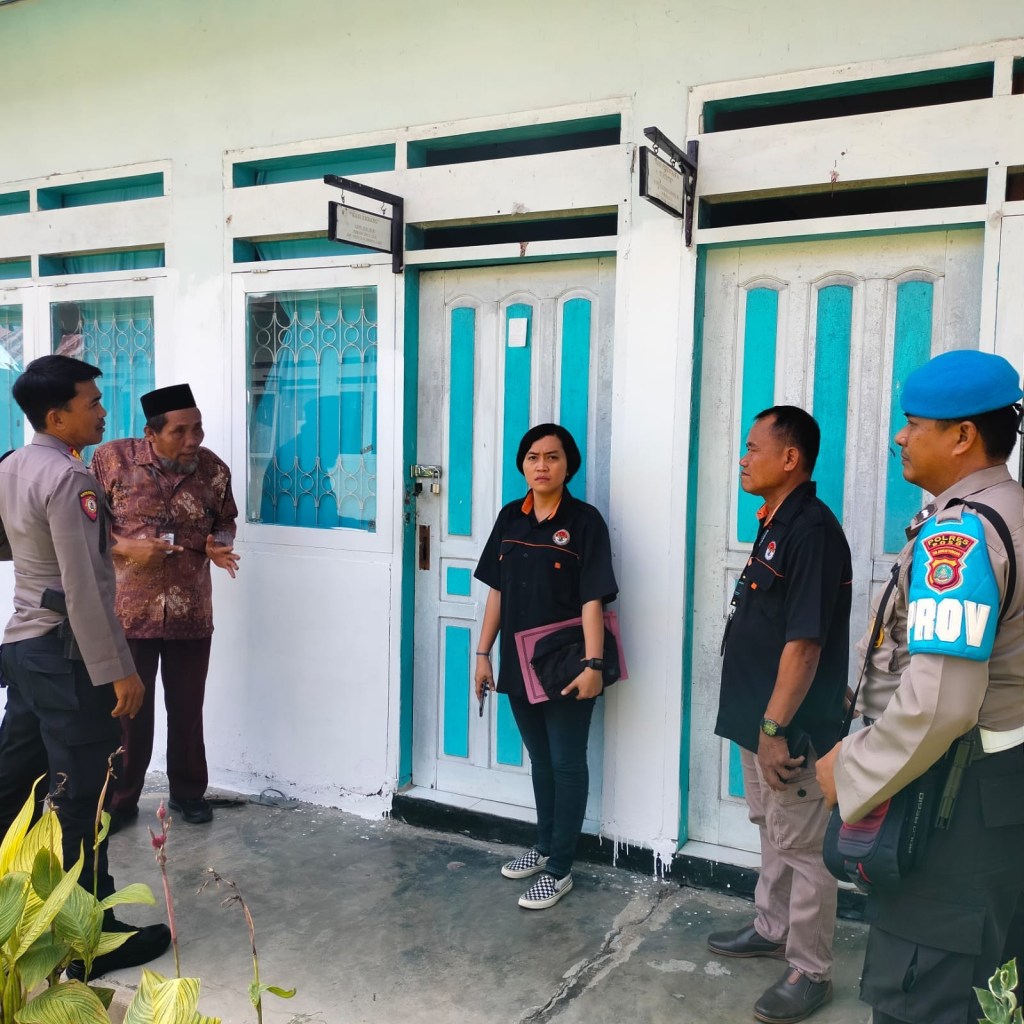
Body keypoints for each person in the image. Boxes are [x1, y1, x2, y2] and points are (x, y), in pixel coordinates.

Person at [817, 349, 1024, 1024]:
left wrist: (851, 769)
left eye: (914, 424)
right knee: (993, 991)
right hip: (1002, 793)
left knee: (925, 992)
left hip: (953, 803)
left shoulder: (961, 535)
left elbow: (940, 704)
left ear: (962, 435)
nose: (900, 437)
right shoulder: (1014, 511)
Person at [0, 354, 170, 977]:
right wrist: (118, 669)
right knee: (82, 798)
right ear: (56, 416)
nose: (103, 411)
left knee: (13, 785)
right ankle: (90, 940)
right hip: (68, 657)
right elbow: (85, 589)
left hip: (24, 650)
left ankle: (14, 909)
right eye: (92, 402)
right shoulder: (73, 480)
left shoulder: (13, 466)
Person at [708, 405, 852, 1024]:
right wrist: (757, 724)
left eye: (753, 448)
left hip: (788, 728)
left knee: (804, 848)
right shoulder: (777, 522)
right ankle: (772, 928)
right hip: (757, 717)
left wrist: (773, 729)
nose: (743, 458)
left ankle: (811, 970)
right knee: (772, 828)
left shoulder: (810, 531)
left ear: (790, 458)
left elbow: (805, 644)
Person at [473, 423, 617, 910]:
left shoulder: (585, 522)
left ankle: (559, 870)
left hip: (567, 662)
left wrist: (594, 664)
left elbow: (593, 597)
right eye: (533, 457)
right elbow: (497, 591)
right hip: (518, 662)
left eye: (552, 457)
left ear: (568, 465)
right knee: (540, 760)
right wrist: (482, 654)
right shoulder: (510, 518)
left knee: (566, 761)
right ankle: (545, 845)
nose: (542, 466)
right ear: (522, 464)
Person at [91, 384, 239, 829]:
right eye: (180, 431)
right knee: (128, 713)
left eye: (198, 429)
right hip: (128, 613)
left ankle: (189, 794)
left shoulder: (214, 470)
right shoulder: (111, 461)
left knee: (188, 708)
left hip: (190, 611)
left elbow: (225, 522)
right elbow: (85, 526)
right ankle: (119, 800)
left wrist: (218, 546)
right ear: (150, 434)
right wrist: (124, 548)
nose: (193, 439)